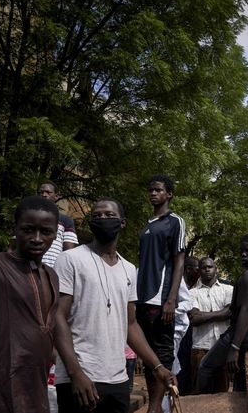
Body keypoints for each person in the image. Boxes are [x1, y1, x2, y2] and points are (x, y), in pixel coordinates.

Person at [53, 198, 175, 413]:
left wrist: (158, 367)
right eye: (97, 216)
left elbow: (130, 324)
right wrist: (76, 373)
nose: (102, 219)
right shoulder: (69, 259)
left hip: (118, 379)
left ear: (122, 223)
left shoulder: (129, 269)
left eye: (109, 215)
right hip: (81, 378)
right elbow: (58, 317)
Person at [0, 197, 60, 412]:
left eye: (46, 232)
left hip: (36, 387)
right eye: (28, 230)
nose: (37, 239)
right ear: (15, 228)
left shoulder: (52, 275)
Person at [197, 233, 248, 393]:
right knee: (242, 383)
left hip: (244, 335)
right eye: (241, 250)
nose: (243, 254)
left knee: (205, 366)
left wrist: (234, 347)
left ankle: (201, 405)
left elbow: (245, 312)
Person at [136, 175, 187, 412]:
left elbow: (179, 261)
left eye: (158, 190)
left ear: (169, 194)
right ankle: (154, 405)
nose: (153, 193)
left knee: (163, 353)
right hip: (142, 298)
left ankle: (156, 406)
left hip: (161, 297)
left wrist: (171, 299)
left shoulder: (174, 221)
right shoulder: (147, 225)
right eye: (151, 190)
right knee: (148, 356)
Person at [188, 257, 233, 393]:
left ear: (216, 269)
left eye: (210, 267)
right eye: (203, 267)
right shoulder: (192, 293)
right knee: (200, 391)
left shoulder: (228, 289)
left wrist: (204, 315)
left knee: (222, 392)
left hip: (222, 348)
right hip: (201, 347)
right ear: (199, 271)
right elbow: (194, 319)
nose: (207, 270)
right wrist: (220, 314)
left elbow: (230, 313)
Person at [38, 181, 79, 267]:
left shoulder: (65, 220)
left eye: (48, 192)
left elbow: (69, 253)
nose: (44, 195)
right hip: (28, 270)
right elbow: (14, 247)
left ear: (56, 196)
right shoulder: (28, 218)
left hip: (54, 271)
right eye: (41, 192)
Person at [176, 256, 200, 395]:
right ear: (188, 270)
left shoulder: (194, 289)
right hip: (179, 334)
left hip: (191, 335)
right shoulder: (179, 286)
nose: (200, 273)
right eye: (198, 269)